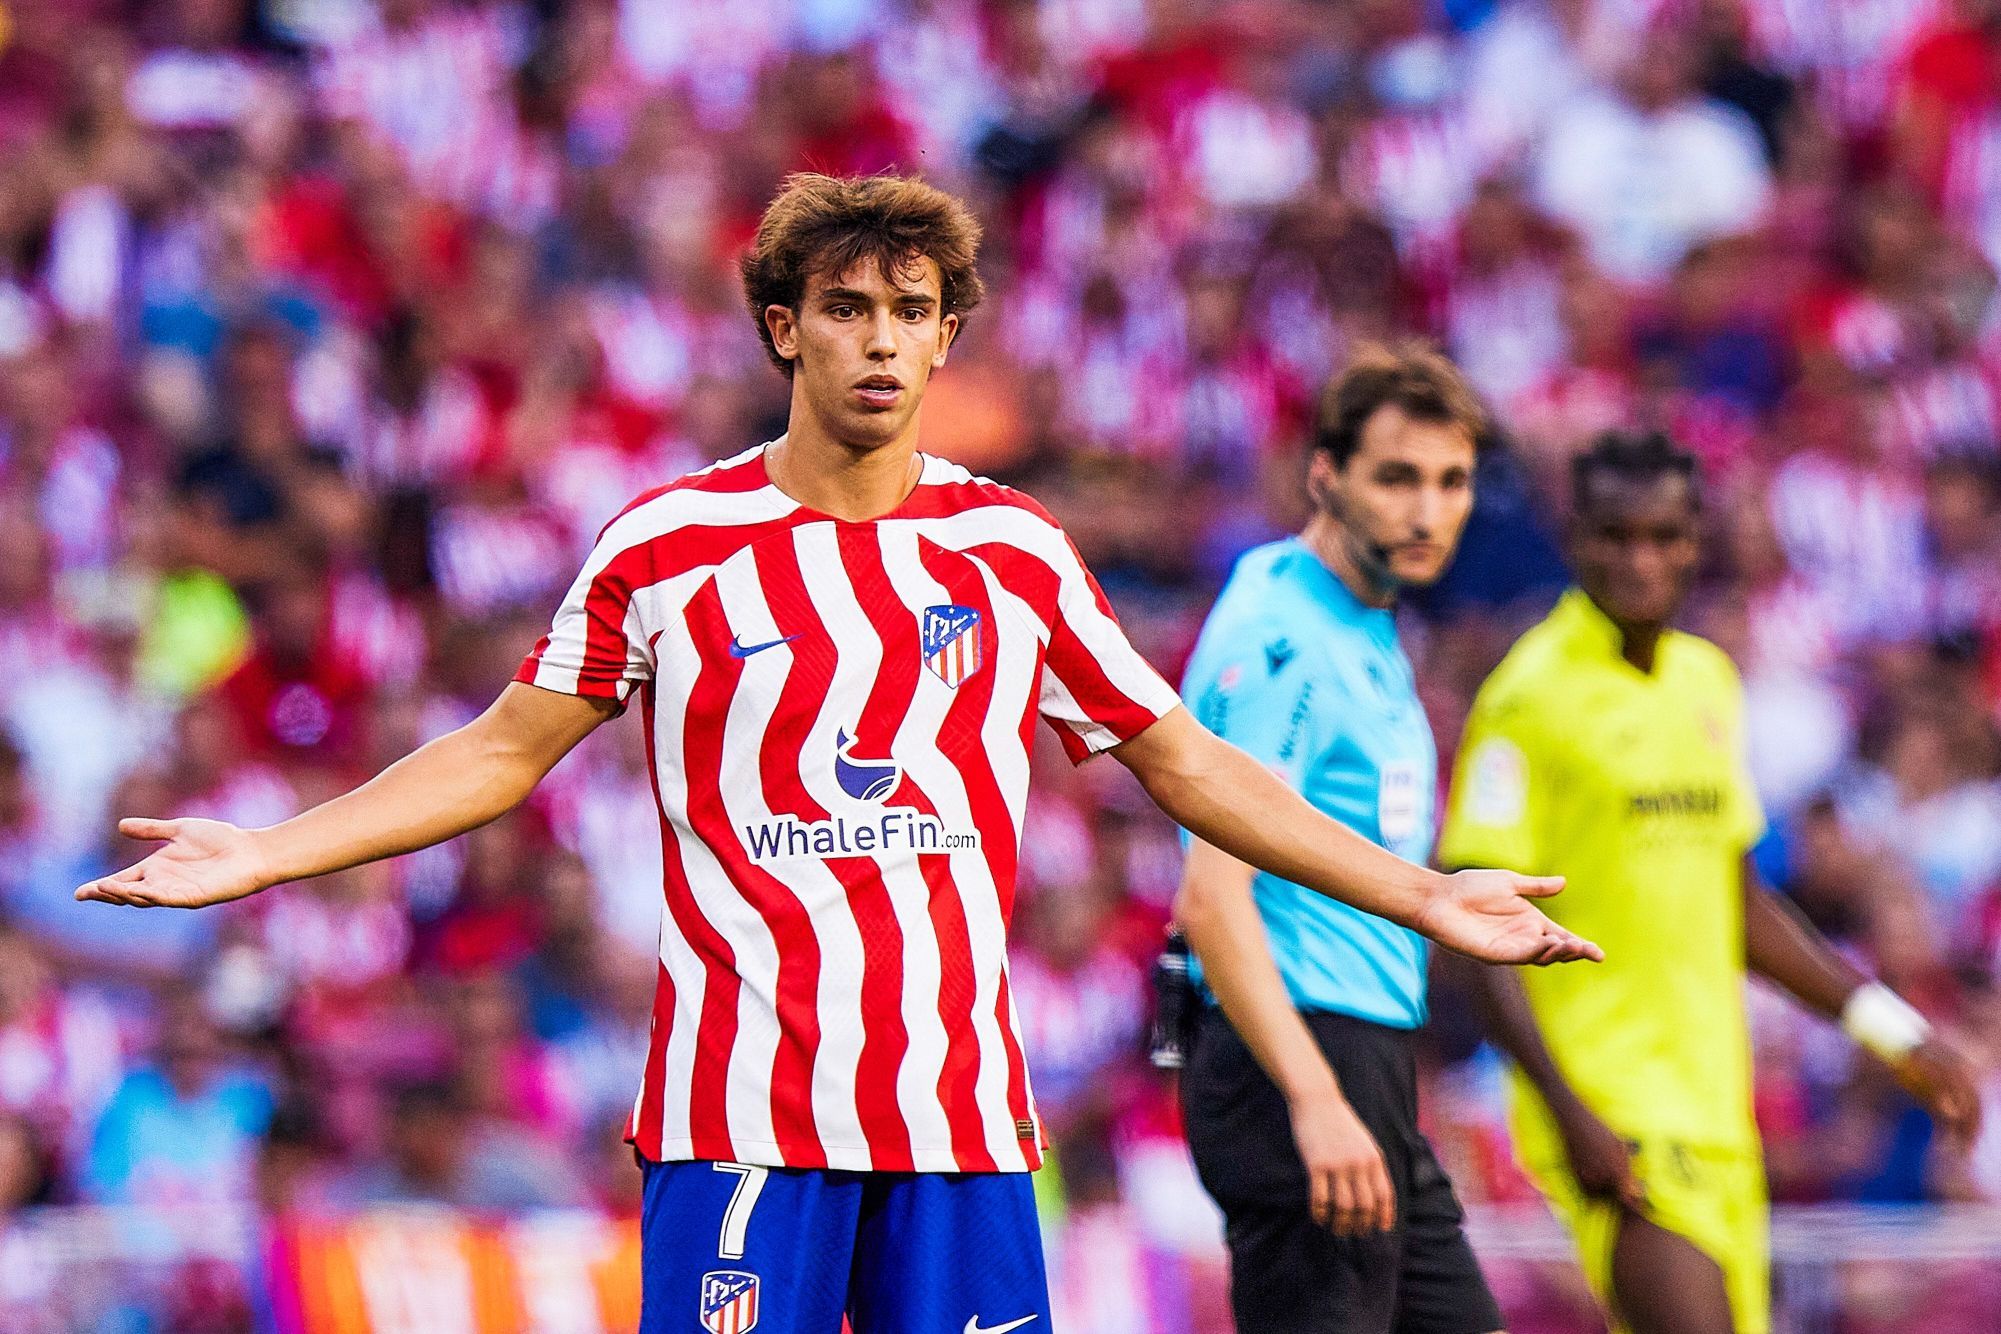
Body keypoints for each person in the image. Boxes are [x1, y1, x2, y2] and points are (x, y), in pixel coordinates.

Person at [77, 173, 1598, 1334]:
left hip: (957, 1121)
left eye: (912, 309)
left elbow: (1186, 763)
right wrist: (267, 851)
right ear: (782, 325)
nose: (881, 340)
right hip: (745, 1115)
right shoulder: (670, 544)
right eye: (848, 307)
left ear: (950, 333)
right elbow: (498, 752)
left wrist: (1421, 894)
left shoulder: (1010, 547)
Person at [1437, 431, 1983, 1334]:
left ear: (1697, 540)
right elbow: (1473, 917)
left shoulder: (1707, 681)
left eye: (1663, 536)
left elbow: (1741, 908)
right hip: (1612, 1106)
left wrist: (1897, 1034)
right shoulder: (1528, 695)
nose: (1640, 561)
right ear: (1575, 539)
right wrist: (1567, 1111)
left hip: (1718, 1112)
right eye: (1615, 536)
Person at [1175, 344, 1508, 1334]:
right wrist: (1316, 1099)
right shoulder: (1282, 639)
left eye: (1452, 481)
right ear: (1326, 474)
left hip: (1358, 1051)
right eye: (1397, 476)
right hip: (1295, 1053)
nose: (1428, 510)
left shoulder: (1357, 622)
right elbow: (1213, 894)